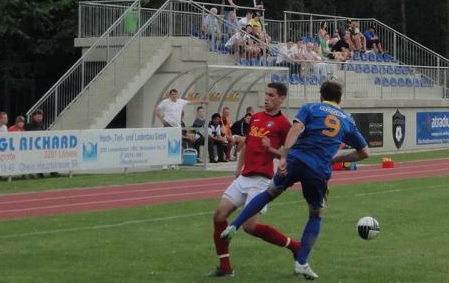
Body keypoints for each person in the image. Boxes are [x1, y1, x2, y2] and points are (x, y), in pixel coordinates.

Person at [221, 80, 369, 280]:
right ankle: (301, 262)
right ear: (340, 99)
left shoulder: (311, 107)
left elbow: (295, 130)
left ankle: (234, 225)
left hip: (296, 160)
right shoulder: (347, 120)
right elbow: (364, 153)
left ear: (321, 96)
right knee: (315, 214)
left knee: (269, 193)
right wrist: (336, 158)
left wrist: (284, 156)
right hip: (318, 169)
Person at [208, 83, 300, 277]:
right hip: (244, 176)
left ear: (281, 98)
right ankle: (225, 267)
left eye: (271, 95)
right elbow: (247, 144)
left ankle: (295, 246)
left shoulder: (284, 124)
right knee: (218, 215)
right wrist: (237, 170)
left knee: (250, 227)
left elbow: (286, 155)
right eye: (265, 94)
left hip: (261, 181)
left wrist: (271, 150)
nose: (266, 98)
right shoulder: (256, 117)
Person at [155, 89, 208, 169]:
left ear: (177, 95)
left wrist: (203, 101)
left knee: (175, 145)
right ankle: (165, 164)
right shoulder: (165, 102)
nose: (174, 96)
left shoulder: (180, 101)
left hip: (177, 126)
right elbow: (157, 110)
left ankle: (172, 163)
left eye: (175, 94)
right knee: (167, 144)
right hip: (168, 124)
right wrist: (162, 120)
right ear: (170, 95)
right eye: (172, 94)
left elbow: (191, 102)